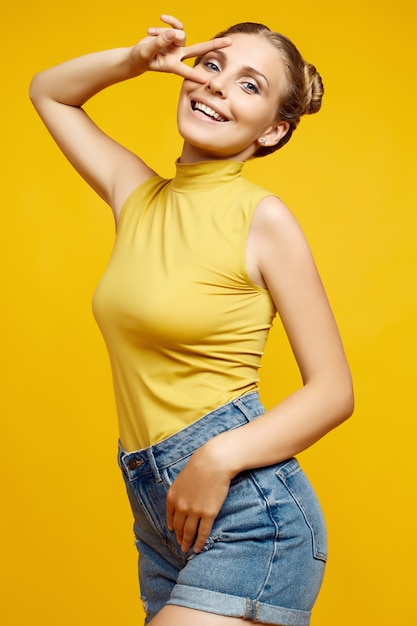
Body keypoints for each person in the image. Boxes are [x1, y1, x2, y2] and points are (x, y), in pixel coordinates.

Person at [30, 13, 354, 626]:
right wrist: (136, 61)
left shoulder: (263, 219)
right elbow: (48, 90)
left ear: (275, 131)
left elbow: (334, 391)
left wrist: (216, 459)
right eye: (212, 65)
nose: (217, 86)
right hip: (160, 510)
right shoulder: (136, 195)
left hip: (248, 512)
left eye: (250, 85)